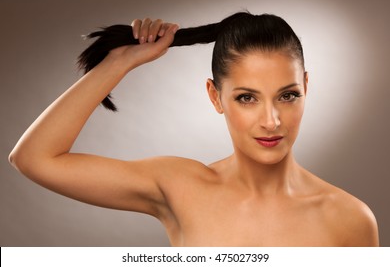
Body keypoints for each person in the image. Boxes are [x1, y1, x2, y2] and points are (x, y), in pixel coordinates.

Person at [9, 12, 379, 246]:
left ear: (306, 89)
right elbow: (34, 158)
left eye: (287, 95)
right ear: (215, 97)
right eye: (247, 98)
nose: (271, 120)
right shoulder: (180, 186)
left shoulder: (349, 219)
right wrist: (121, 61)